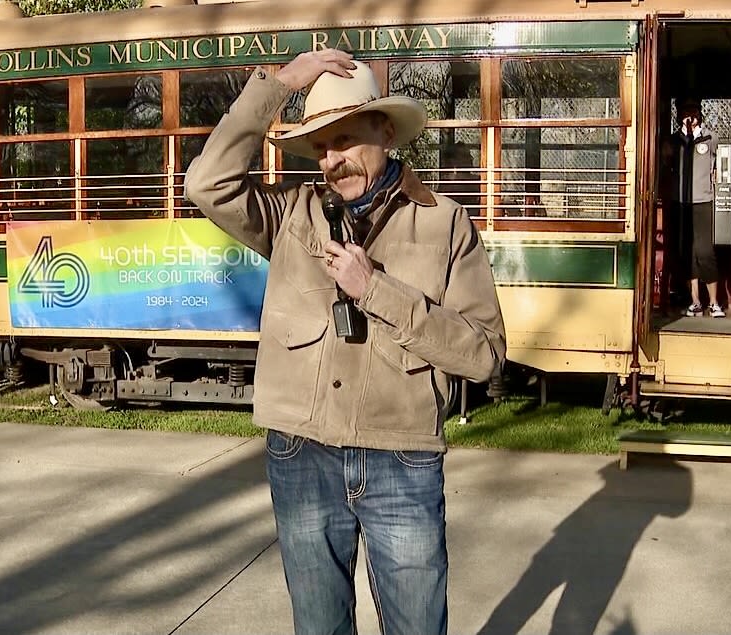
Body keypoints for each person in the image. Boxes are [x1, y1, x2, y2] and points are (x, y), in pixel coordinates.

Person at [184, 49, 506, 634]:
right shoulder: (290, 215)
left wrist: (375, 289)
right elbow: (206, 183)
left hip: (401, 457)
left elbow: (482, 354)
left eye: (347, 138)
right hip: (301, 453)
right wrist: (279, 86)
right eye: (321, 146)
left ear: (386, 130)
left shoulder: (444, 222)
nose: (333, 159)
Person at [670, 98, 724, 318]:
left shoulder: (710, 138)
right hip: (681, 202)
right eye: (685, 111)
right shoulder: (675, 140)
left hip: (703, 201)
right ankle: (695, 301)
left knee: (705, 252)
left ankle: (714, 302)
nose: (689, 116)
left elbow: (726, 159)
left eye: (692, 111)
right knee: (688, 253)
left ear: (699, 114)